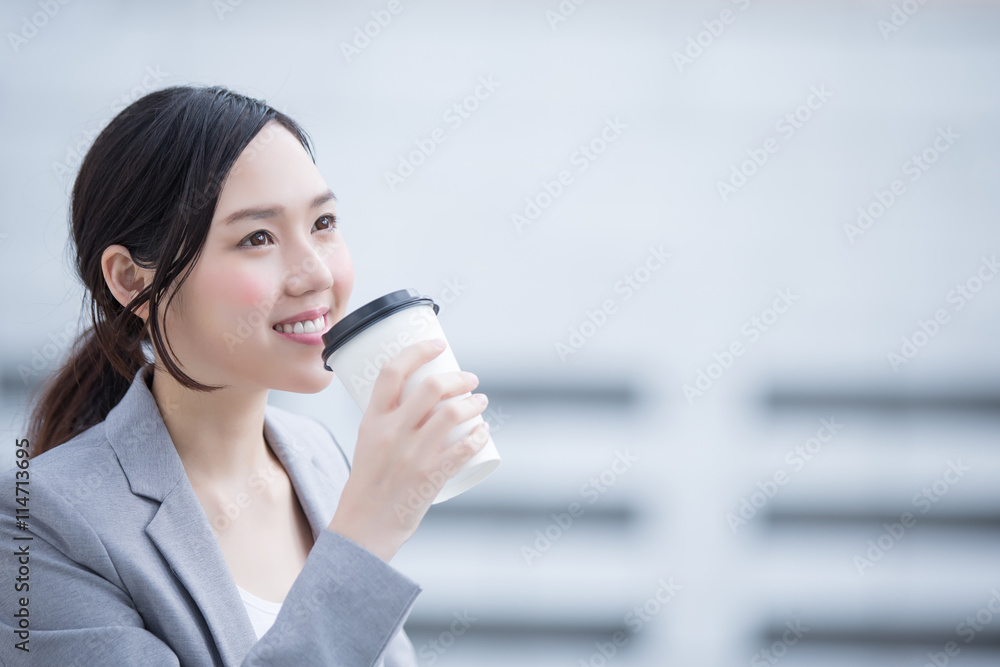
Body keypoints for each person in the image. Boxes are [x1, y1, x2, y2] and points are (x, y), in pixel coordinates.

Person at [0, 85, 490, 666]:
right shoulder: (39, 522)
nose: (315, 273)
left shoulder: (318, 459)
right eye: (257, 237)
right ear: (132, 281)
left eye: (324, 222)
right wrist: (366, 535)